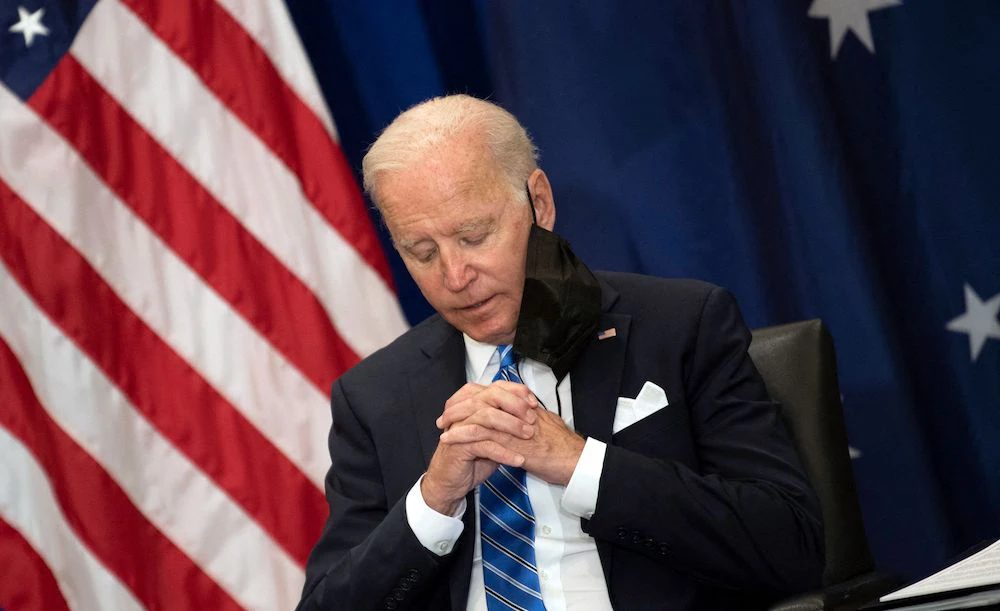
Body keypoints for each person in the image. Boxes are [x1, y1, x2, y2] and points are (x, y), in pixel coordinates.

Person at [297, 95, 823, 611]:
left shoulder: (681, 325)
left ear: (539, 204)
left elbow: (789, 545)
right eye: (423, 251)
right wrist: (433, 501)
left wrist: (578, 463)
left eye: (474, 236)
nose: (455, 277)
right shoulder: (374, 395)